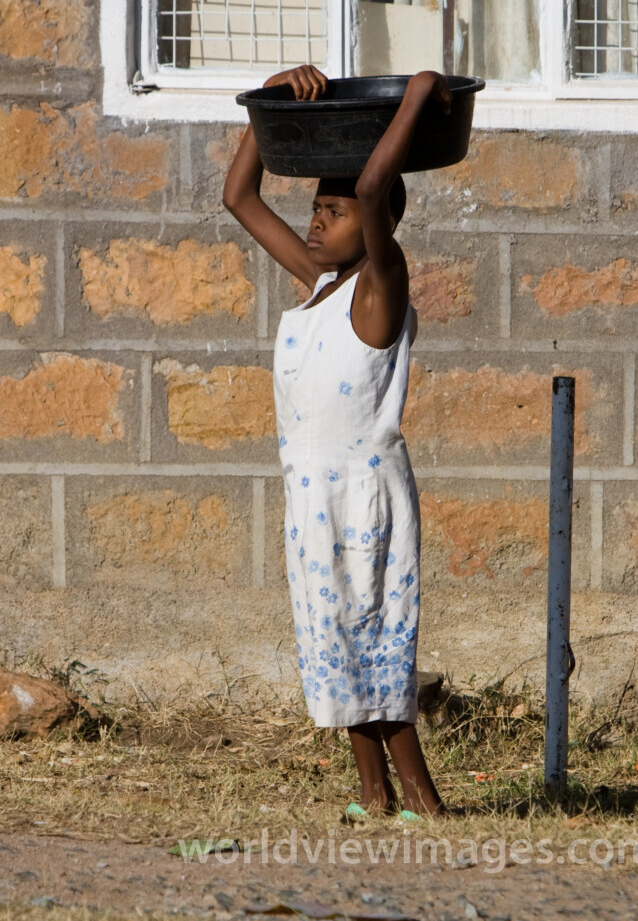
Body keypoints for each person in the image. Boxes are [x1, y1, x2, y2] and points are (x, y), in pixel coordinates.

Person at [222, 64, 450, 820]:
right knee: (331, 641)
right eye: (315, 208)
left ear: (376, 222)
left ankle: (420, 794)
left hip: (364, 499)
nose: (317, 223)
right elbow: (238, 198)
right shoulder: (316, 284)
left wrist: (416, 97)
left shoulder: (380, 288)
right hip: (311, 494)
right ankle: (372, 792)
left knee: (370, 635)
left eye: (336, 212)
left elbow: (379, 186)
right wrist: (273, 98)